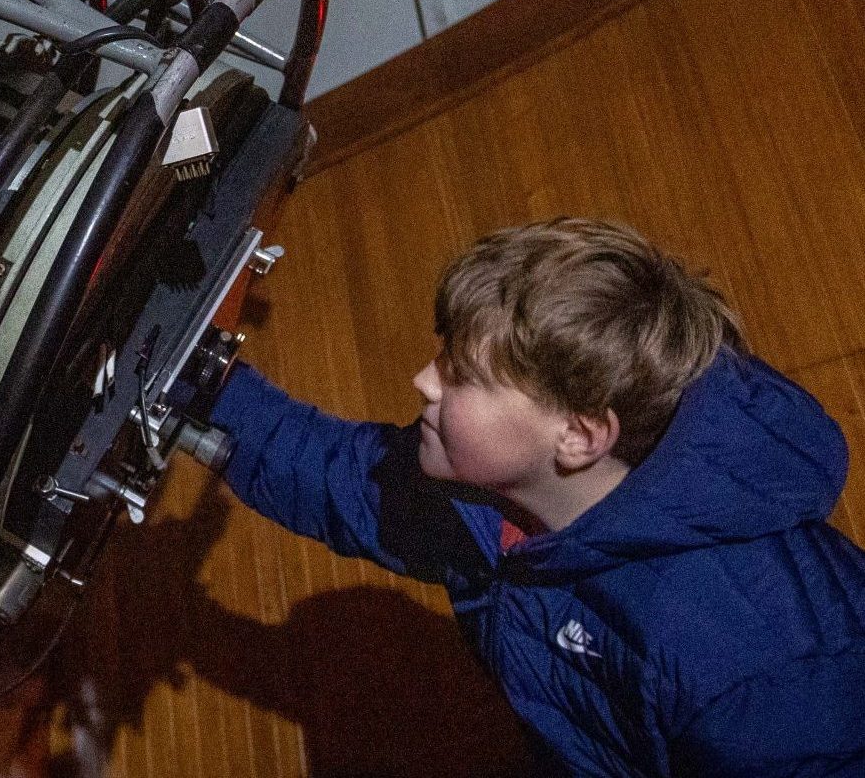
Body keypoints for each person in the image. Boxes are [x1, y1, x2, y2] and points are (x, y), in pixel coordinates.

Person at [209, 217, 865, 775]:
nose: (421, 382)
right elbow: (345, 481)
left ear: (578, 435)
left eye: (460, 375)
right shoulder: (489, 496)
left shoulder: (765, 667)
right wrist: (206, 380)